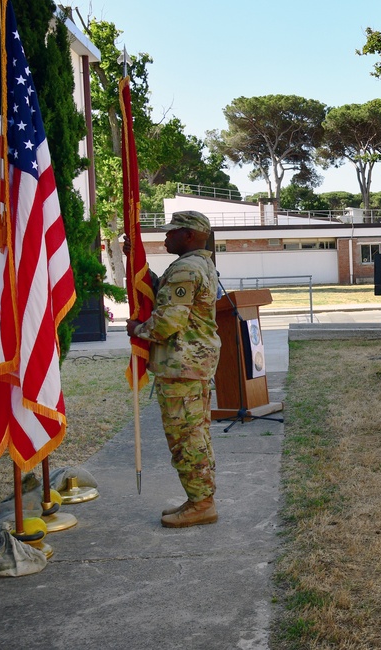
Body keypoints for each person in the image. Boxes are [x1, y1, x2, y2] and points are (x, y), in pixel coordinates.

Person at [126, 211, 222, 528]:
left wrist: (138, 329)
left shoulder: (185, 268)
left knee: (186, 438)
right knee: (196, 434)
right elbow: (168, 299)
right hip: (191, 366)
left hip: (183, 367)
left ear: (191, 235)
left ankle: (202, 503)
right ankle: (199, 498)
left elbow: (168, 322)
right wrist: (139, 267)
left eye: (173, 232)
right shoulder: (198, 265)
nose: (166, 237)